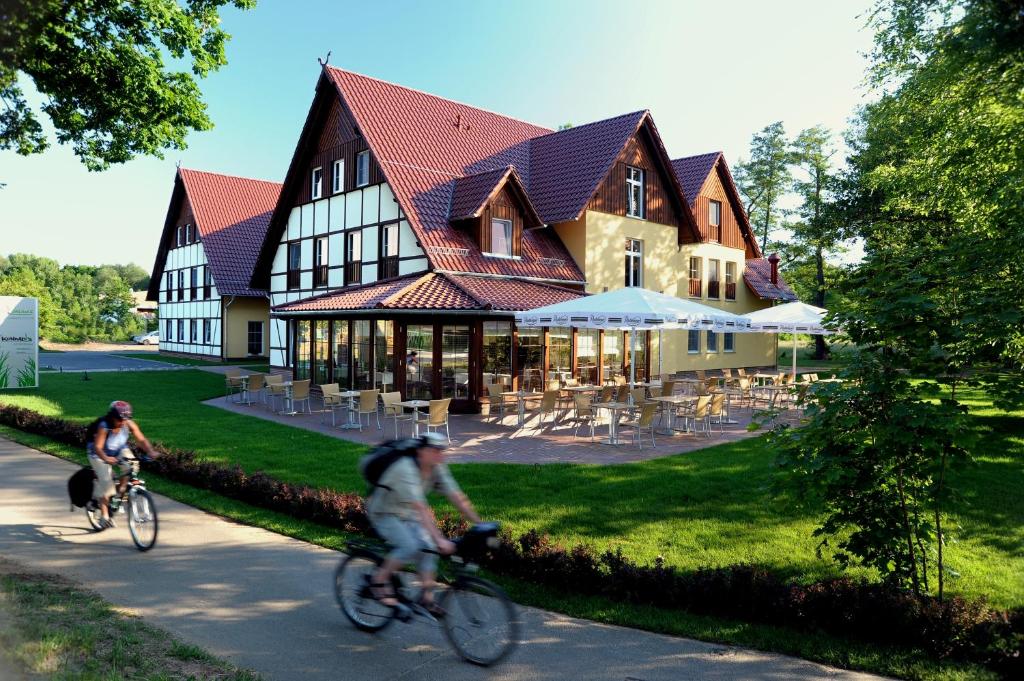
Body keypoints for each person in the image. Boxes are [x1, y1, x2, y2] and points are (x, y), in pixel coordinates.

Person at [366, 432, 480, 616]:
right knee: (409, 546)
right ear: (421, 451)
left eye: (442, 451)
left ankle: (426, 599)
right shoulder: (404, 468)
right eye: (435, 451)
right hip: (384, 513)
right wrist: (440, 539)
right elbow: (421, 508)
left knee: (429, 548)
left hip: (407, 513)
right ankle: (377, 582)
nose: (440, 455)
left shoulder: (435, 466)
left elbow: (456, 495)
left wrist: (479, 523)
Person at [87, 400, 157, 528]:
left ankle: (120, 493)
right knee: (108, 485)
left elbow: (141, 439)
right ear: (112, 417)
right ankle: (104, 515)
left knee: (133, 465)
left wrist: (150, 451)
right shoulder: (104, 426)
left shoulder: (128, 423)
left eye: (126, 419)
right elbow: (98, 447)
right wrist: (106, 458)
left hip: (118, 449)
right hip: (98, 454)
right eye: (120, 419)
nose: (123, 422)